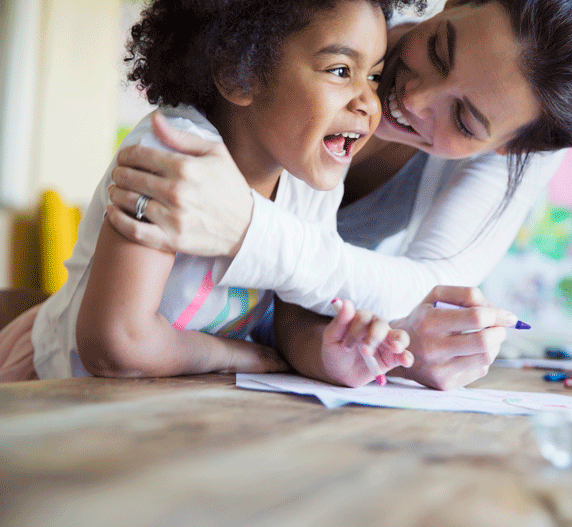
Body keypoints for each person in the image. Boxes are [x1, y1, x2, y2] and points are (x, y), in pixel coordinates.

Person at [104, 0, 572, 389]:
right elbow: (112, 334)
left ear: (507, 149)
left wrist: (253, 235)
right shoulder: (328, 22)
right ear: (451, 2)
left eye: (467, 120)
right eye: (439, 50)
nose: (415, 98)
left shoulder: (315, 178)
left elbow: (415, 290)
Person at [0, 0, 429, 384]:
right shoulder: (173, 153)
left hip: (164, 407)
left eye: (373, 76)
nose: (369, 103)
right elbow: (117, 344)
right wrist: (238, 356)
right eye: (340, 71)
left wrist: (331, 354)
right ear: (238, 74)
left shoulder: (309, 180)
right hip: (52, 391)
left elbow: (292, 321)